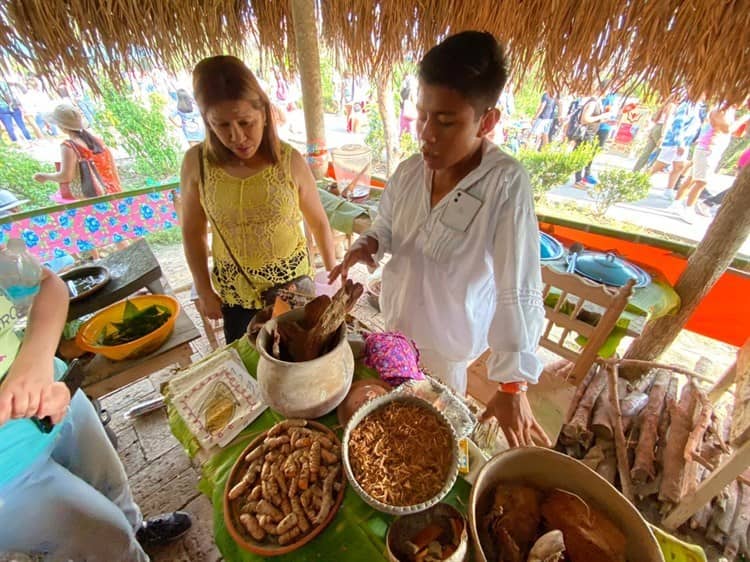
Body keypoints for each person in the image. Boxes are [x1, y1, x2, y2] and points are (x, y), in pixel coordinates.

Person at [330, 31, 550, 448]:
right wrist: (368, 245)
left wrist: (512, 386)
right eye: (422, 115)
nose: (427, 133)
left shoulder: (504, 184)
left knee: (430, 433)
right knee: (392, 429)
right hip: (396, 327)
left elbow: (518, 286)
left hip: (448, 347)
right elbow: (388, 228)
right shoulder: (411, 171)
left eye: (446, 121)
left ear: (487, 122)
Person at [0, 266, 191, 560]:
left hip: (57, 393)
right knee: (106, 540)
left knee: (109, 481)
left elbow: (49, 283)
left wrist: (34, 362)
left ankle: (136, 530)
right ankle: (126, 547)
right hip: (9, 470)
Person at [180, 56, 336, 344]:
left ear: (264, 113)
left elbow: (319, 224)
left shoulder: (290, 161)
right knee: (252, 370)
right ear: (207, 122)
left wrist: (333, 279)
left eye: (245, 122)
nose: (237, 136)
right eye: (221, 125)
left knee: (300, 362)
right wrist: (203, 288)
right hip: (238, 296)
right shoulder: (196, 164)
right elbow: (192, 232)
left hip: (294, 291)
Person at [670, 103, 748, 223]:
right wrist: (745, 117)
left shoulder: (730, 111)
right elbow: (727, 129)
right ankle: (689, 209)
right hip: (708, 148)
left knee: (692, 179)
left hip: (711, 148)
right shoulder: (722, 109)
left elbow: (733, 132)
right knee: (701, 182)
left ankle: (676, 203)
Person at [32, 103, 122, 198]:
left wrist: (45, 176)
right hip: (114, 191)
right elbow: (113, 168)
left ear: (62, 126)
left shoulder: (69, 146)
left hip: (96, 196)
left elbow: (66, 176)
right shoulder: (97, 141)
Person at [648, 94, 702, 200]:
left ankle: (669, 190)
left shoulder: (698, 107)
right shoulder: (686, 106)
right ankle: (641, 180)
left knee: (679, 167)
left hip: (685, 142)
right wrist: (679, 142)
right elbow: (678, 125)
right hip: (674, 142)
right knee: (660, 165)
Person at [571, 83, 612, 187]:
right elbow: (585, 119)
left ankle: (581, 179)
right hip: (586, 133)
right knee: (580, 157)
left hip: (591, 133)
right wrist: (601, 116)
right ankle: (578, 180)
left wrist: (603, 119)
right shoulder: (593, 102)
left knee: (583, 156)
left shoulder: (598, 102)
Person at [632, 94, 676, 172]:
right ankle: (648, 171)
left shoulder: (664, 106)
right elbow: (667, 120)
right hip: (662, 128)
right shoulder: (672, 106)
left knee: (646, 152)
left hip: (656, 127)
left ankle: (636, 170)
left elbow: (655, 118)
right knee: (660, 152)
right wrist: (663, 135)